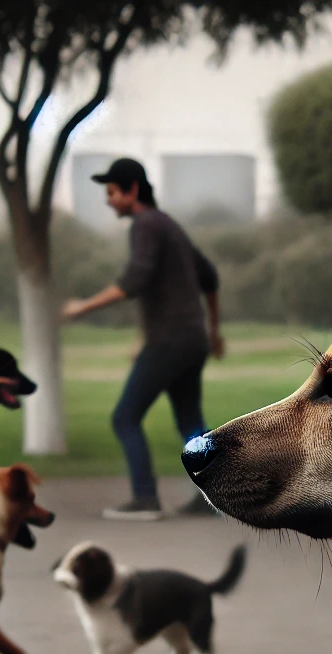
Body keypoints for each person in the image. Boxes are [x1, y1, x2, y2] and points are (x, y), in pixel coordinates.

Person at [61, 157, 222, 520]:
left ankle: (146, 498)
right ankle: (218, 495)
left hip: (169, 340)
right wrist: (212, 331)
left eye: (113, 192)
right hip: (190, 339)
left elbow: (134, 281)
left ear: (133, 190)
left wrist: (81, 308)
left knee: (125, 417)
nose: (108, 200)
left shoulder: (146, 225)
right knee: (189, 421)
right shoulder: (169, 226)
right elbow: (209, 277)